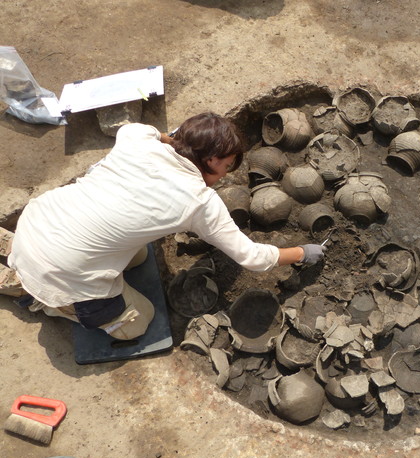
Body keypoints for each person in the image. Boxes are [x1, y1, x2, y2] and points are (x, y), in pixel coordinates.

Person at [0, 112, 325, 340]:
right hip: (62, 267)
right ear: (210, 160)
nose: (225, 175)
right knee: (138, 324)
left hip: (40, 218)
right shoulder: (198, 200)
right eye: (225, 166)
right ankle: (42, 297)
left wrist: (178, 140)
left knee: (139, 256)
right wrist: (301, 252)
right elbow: (253, 258)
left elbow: (156, 133)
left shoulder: (135, 138)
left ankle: (25, 257)